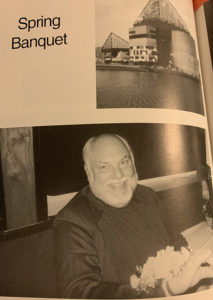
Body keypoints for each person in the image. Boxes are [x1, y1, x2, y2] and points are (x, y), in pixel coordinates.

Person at [53, 133, 213, 298]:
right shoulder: (74, 220)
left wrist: (196, 281)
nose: (118, 175)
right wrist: (167, 289)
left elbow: (177, 243)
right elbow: (78, 291)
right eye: (104, 167)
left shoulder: (148, 196)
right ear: (88, 172)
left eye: (123, 162)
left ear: (133, 163)